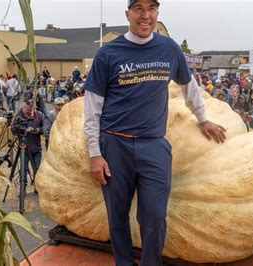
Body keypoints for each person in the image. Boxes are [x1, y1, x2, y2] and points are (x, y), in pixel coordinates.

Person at [82, 0, 226, 264]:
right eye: (138, 8)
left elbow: (188, 85)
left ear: (157, 13)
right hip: (115, 144)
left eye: (151, 8)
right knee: (117, 215)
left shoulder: (169, 48)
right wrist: (94, 153)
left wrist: (203, 119)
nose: (145, 15)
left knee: (155, 215)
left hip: (154, 146)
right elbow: (92, 108)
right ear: (128, 14)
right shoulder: (108, 54)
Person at [12, 100, 44, 192]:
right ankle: (23, 188)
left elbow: (44, 128)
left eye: (32, 110)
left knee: (37, 169)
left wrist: (38, 130)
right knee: (23, 169)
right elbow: (13, 130)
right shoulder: (18, 116)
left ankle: (37, 187)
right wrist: (25, 129)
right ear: (24, 107)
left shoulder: (39, 115)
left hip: (36, 147)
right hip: (24, 147)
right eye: (28, 110)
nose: (30, 112)